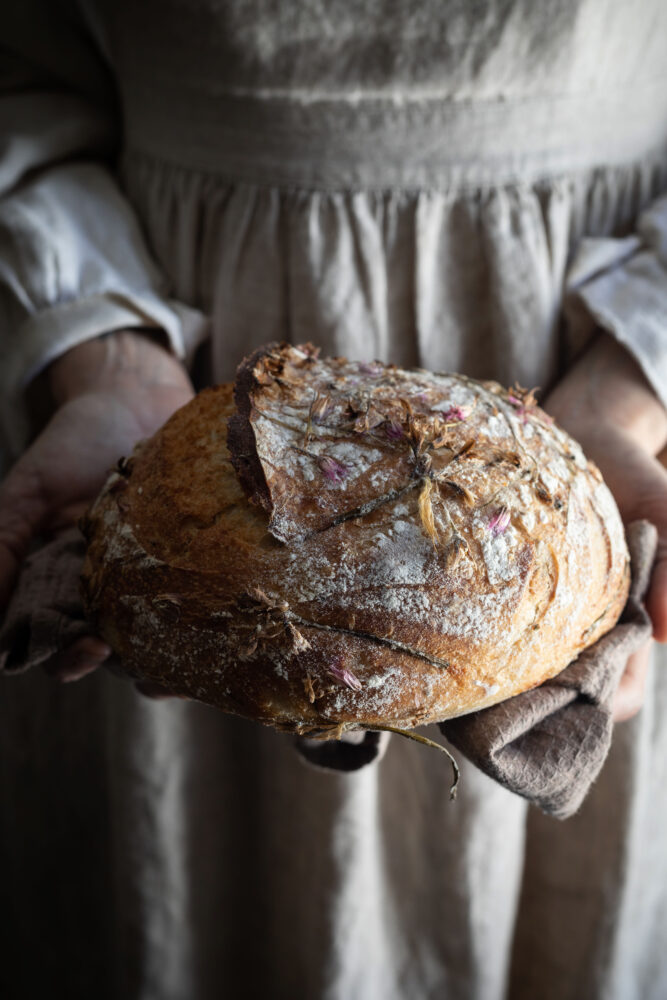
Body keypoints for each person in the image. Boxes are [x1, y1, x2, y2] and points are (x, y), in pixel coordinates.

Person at [1, 2, 666, 998]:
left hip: (577, 351)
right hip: (169, 330)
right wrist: (102, 361)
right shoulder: (152, 492)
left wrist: (630, 382)